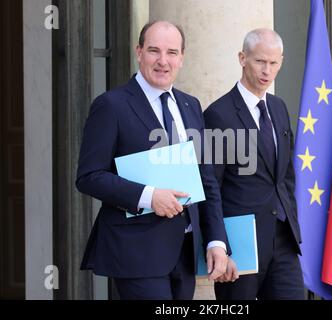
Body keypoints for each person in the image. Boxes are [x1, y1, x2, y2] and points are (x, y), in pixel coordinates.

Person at [76, 21, 230, 300]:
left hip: (184, 251)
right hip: (135, 252)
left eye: (172, 52)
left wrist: (216, 240)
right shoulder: (111, 105)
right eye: (153, 51)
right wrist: (149, 196)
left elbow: (206, 179)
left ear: (182, 57)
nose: (163, 61)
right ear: (139, 52)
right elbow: (89, 176)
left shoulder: (190, 105)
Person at [204, 28, 304, 299]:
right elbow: (210, 187)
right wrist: (221, 246)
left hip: (284, 242)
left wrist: (291, 222)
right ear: (242, 58)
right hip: (241, 249)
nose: (266, 70)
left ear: (281, 62)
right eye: (260, 61)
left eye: (273, 63)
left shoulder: (279, 107)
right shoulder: (218, 115)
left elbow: (286, 176)